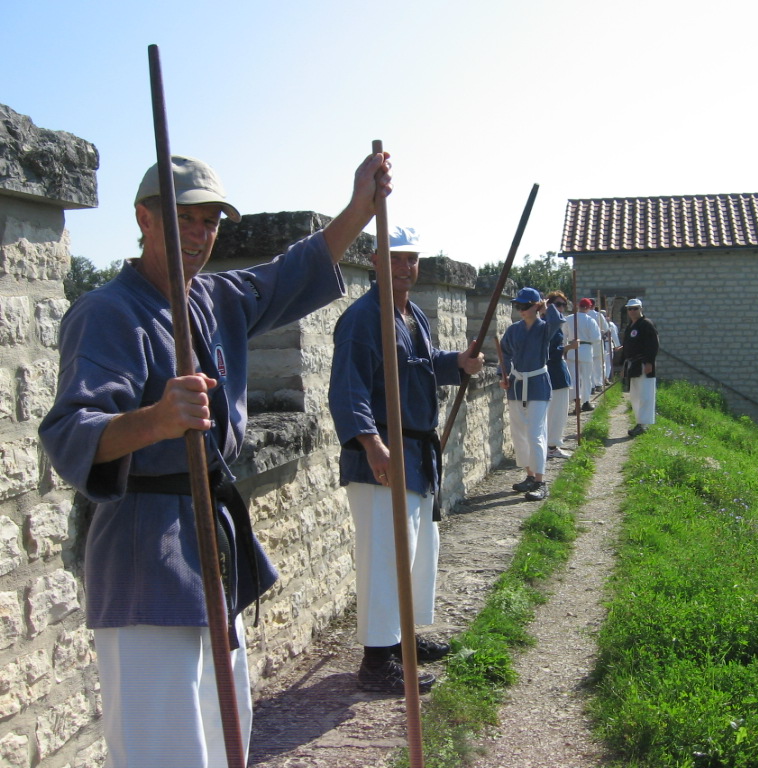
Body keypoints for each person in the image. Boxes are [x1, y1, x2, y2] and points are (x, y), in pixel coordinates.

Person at [38, 151, 390, 768]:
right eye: (185, 219)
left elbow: (288, 272)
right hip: (145, 558)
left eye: (211, 222)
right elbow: (70, 431)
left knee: (226, 737)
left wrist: (359, 211)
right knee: (166, 748)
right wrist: (154, 419)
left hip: (211, 549)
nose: (199, 235)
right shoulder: (107, 313)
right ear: (145, 219)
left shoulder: (215, 300)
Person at [328, 225, 484, 694]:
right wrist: (373, 445)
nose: (406, 267)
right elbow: (347, 390)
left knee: (415, 556)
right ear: (374, 260)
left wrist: (458, 361)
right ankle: (376, 664)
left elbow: (423, 361)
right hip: (381, 458)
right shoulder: (361, 320)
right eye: (395, 258)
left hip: (416, 454)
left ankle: (400, 641)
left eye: (412, 258)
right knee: (385, 559)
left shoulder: (412, 313)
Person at [499, 287, 564, 500]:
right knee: (519, 433)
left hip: (537, 384)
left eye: (525, 306)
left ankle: (540, 481)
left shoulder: (545, 328)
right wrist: (504, 375)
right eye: (518, 306)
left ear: (536, 306)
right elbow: (505, 353)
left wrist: (547, 308)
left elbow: (557, 322)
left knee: (536, 433)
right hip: (517, 385)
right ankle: (529, 474)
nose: (521, 310)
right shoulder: (514, 329)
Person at [545, 291, 577, 459]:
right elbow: (549, 351)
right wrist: (568, 348)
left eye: (564, 305)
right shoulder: (548, 324)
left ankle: (551, 445)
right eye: (558, 304)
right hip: (553, 372)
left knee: (558, 411)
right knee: (556, 412)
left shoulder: (552, 324)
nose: (561, 308)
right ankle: (551, 447)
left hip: (557, 371)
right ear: (549, 305)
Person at [621, 297, 660, 436]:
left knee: (645, 395)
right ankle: (639, 421)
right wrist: (623, 366)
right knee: (635, 396)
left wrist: (649, 362)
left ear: (640, 309)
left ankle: (643, 424)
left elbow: (653, 344)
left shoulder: (646, 324)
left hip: (644, 364)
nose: (632, 311)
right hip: (633, 365)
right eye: (630, 309)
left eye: (635, 308)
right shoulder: (630, 326)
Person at [564, 297, 601, 413]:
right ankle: (585, 402)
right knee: (586, 378)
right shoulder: (590, 321)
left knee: (574, 378)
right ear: (589, 308)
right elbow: (596, 338)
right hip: (585, 350)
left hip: (572, 350)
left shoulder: (568, 319)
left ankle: (576, 401)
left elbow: (563, 335)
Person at [600, 309, 621, 381]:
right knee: (607, 362)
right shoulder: (609, 324)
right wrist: (617, 345)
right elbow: (615, 335)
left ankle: (604, 378)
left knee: (603, 362)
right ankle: (605, 377)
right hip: (606, 343)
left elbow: (614, 334)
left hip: (602, 344)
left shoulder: (598, 323)